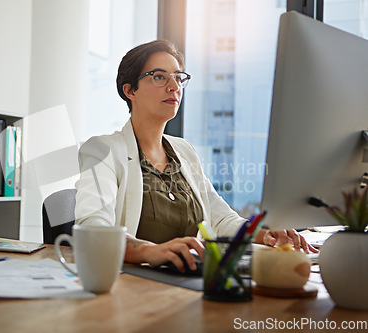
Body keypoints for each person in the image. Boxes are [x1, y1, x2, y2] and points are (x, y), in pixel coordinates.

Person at [75, 40, 318, 273]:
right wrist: (151, 251)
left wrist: (264, 234)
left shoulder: (184, 151)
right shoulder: (103, 151)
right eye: (159, 76)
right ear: (130, 91)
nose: (174, 86)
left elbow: (221, 219)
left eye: (179, 77)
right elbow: (93, 229)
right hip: (136, 285)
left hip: (189, 279)